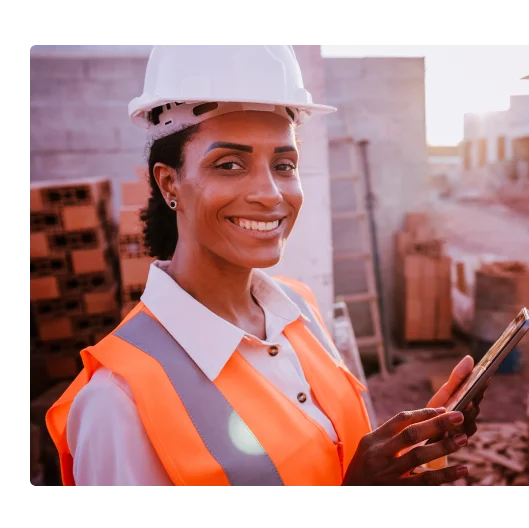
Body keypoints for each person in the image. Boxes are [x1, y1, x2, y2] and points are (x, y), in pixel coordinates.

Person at [45, 42, 488, 487]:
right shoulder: (117, 402)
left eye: (284, 164)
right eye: (231, 164)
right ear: (169, 183)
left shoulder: (298, 310)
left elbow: (329, 462)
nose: (271, 194)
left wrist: (406, 448)